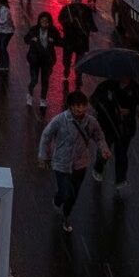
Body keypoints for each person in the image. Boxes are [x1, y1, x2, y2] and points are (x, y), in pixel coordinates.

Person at [38, 90, 109, 233]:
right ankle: (58, 201)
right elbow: (46, 136)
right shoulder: (59, 120)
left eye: (83, 105)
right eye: (77, 106)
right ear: (70, 106)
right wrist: (43, 155)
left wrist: (104, 149)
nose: (80, 109)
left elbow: (99, 136)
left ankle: (66, 215)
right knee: (65, 192)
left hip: (80, 165)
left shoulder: (91, 122)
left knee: (74, 194)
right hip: (61, 163)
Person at [90, 78, 139, 191]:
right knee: (104, 150)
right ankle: (98, 168)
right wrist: (113, 108)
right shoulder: (107, 85)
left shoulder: (136, 88)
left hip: (125, 127)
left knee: (121, 153)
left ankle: (120, 179)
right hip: (108, 124)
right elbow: (95, 100)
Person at [58, 0, 97, 88]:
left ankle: (76, 75)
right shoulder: (70, 9)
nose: (75, 1)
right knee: (74, 60)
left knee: (74, 59)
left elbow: (61, 20)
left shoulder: (68, 9)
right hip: (78, 40)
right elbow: (91, 25)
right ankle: (72, 72)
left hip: (72, 40)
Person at [0, 0, 15, 72]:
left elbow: (3, 20)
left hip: (7, 31)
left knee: (2, 47)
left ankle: (5, 65)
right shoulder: (0, 7)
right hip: (1, 30)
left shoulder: (5, 9)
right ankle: (2, 62)